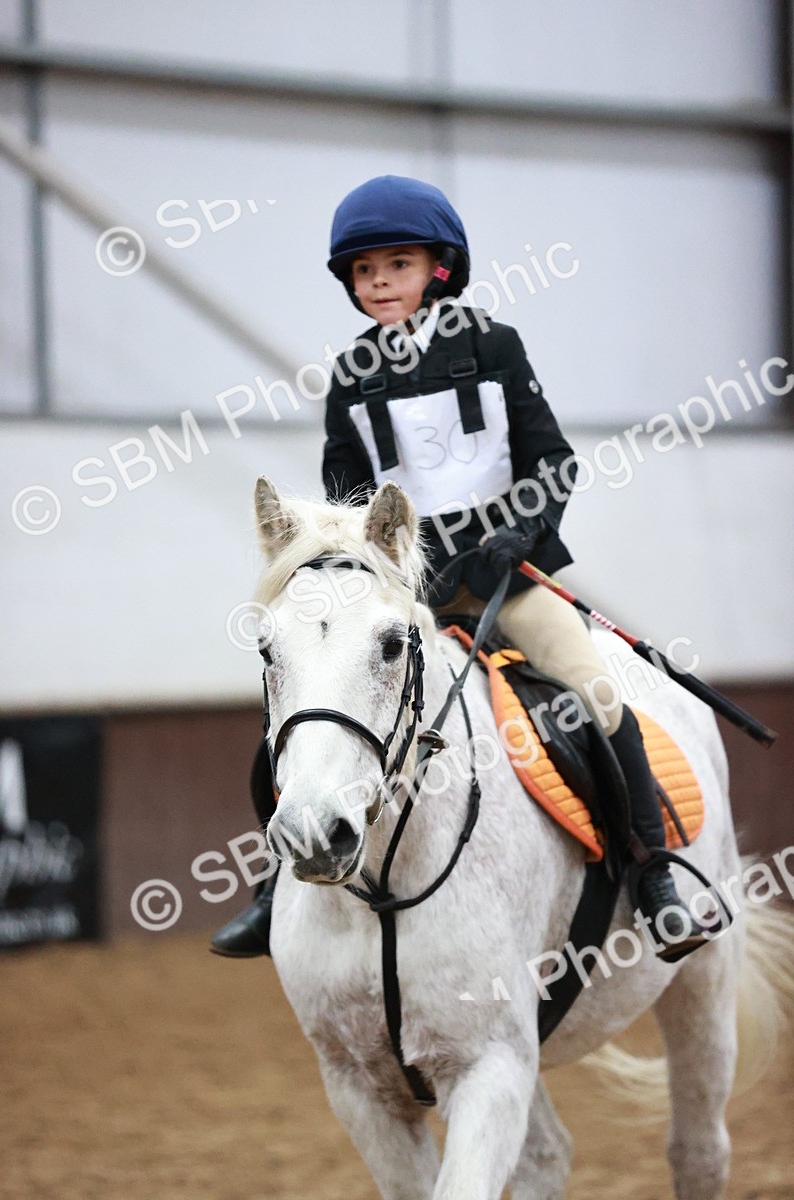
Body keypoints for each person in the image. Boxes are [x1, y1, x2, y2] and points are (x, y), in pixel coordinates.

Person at [211, 175, 706, 961]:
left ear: (440, 268)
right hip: (405, 593)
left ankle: (655, 876)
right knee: (298, 718)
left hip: (508, 579)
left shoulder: (494, 346)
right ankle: (277, 885)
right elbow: (348, 496)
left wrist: (522, 529)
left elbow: (554, 459)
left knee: (595, 694)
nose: (379, 284)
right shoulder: (350, 376)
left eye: (396, 265)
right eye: (365, 272)